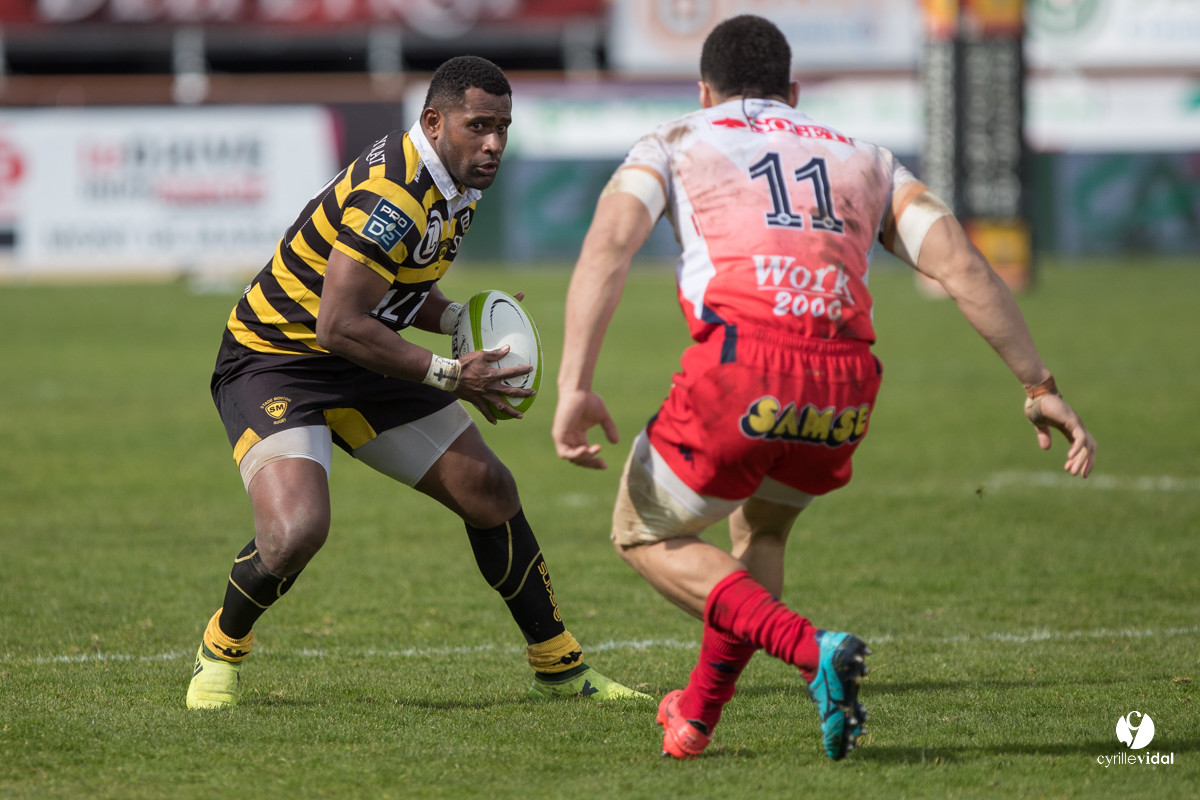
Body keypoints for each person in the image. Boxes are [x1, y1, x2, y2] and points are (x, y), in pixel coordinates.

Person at [552, 15, 1097, 761]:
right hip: (845, 383)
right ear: (794, 92)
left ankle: (816, 652)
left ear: (704, 90)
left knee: (643, 531)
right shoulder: (867, 158)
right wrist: (1038, 384)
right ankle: (697, 715)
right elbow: (963, 267)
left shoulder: (674, 140)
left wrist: (575, 385)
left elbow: (609, 247)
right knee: (762, 533)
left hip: (744, 368)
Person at [187, 55, 646, 710]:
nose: (493, 143)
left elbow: (396, 287)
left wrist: (457, 318)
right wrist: (453, 373)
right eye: (478, 126)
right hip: (276, 359)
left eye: (502, 127)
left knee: (489, 490)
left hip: (362, 353)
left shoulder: (454, 179)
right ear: (434, 122)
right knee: (296, 531)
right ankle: (221, 647)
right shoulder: (394, 195)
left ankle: (560, 667)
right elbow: (338, 323)